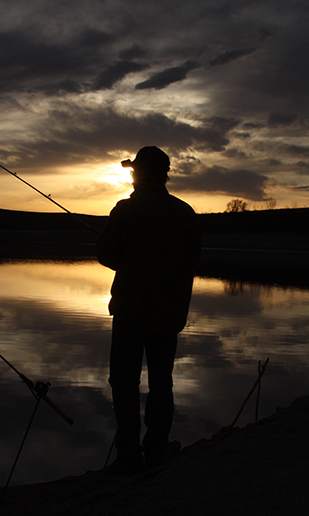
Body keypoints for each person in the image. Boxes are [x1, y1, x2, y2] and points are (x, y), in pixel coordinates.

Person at [96, 146, 202, 475]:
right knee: (161, 382)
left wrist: (131, 262)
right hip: (168, 315)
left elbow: (106, 255)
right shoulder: (185, 213)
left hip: (130, 312)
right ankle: (156, 447)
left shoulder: (125, 211)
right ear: (165, 174)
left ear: (137, 174)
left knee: (124, 383)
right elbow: (193, 261)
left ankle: (128, 454)